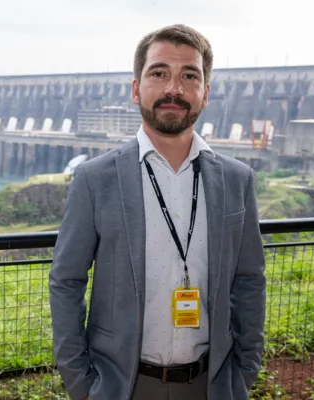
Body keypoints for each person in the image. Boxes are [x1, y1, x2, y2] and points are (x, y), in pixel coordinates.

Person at [49, 24, 266, 400]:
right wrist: (80, 383)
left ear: (205, 93)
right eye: (159, 73)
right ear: (136, 89)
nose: (173, 89)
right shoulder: (94, 179)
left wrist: (245, 371)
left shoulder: (237, 180)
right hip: (122, 385)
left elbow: (249, 280)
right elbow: (67, 279)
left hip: (212, 385)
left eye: (189, 76)